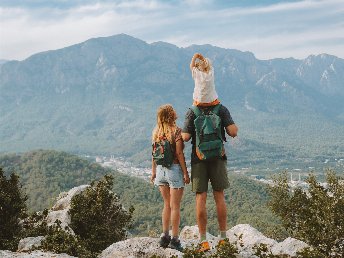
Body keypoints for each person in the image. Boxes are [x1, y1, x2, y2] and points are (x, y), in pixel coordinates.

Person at [182, 53, 238, 252]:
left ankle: (204, 240)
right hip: (218, 158)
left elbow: (186, 137)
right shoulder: (221, 109)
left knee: (201, 198)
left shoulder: (192, 112)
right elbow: (232, 132)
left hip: (198, 159)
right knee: (219, 196)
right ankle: (223, 238)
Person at [151, 104, 190, 252]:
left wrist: (153, 172)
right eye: (173, 110)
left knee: (166, 205)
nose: (175, 112)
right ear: (170, 115)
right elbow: (179, 154)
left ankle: (164, 236)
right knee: (175, 207)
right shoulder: (176, 131)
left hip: (160, 171)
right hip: (174, 170)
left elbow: (153, 154)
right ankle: (175, 239)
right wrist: (185, 173)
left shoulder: (156, 132)